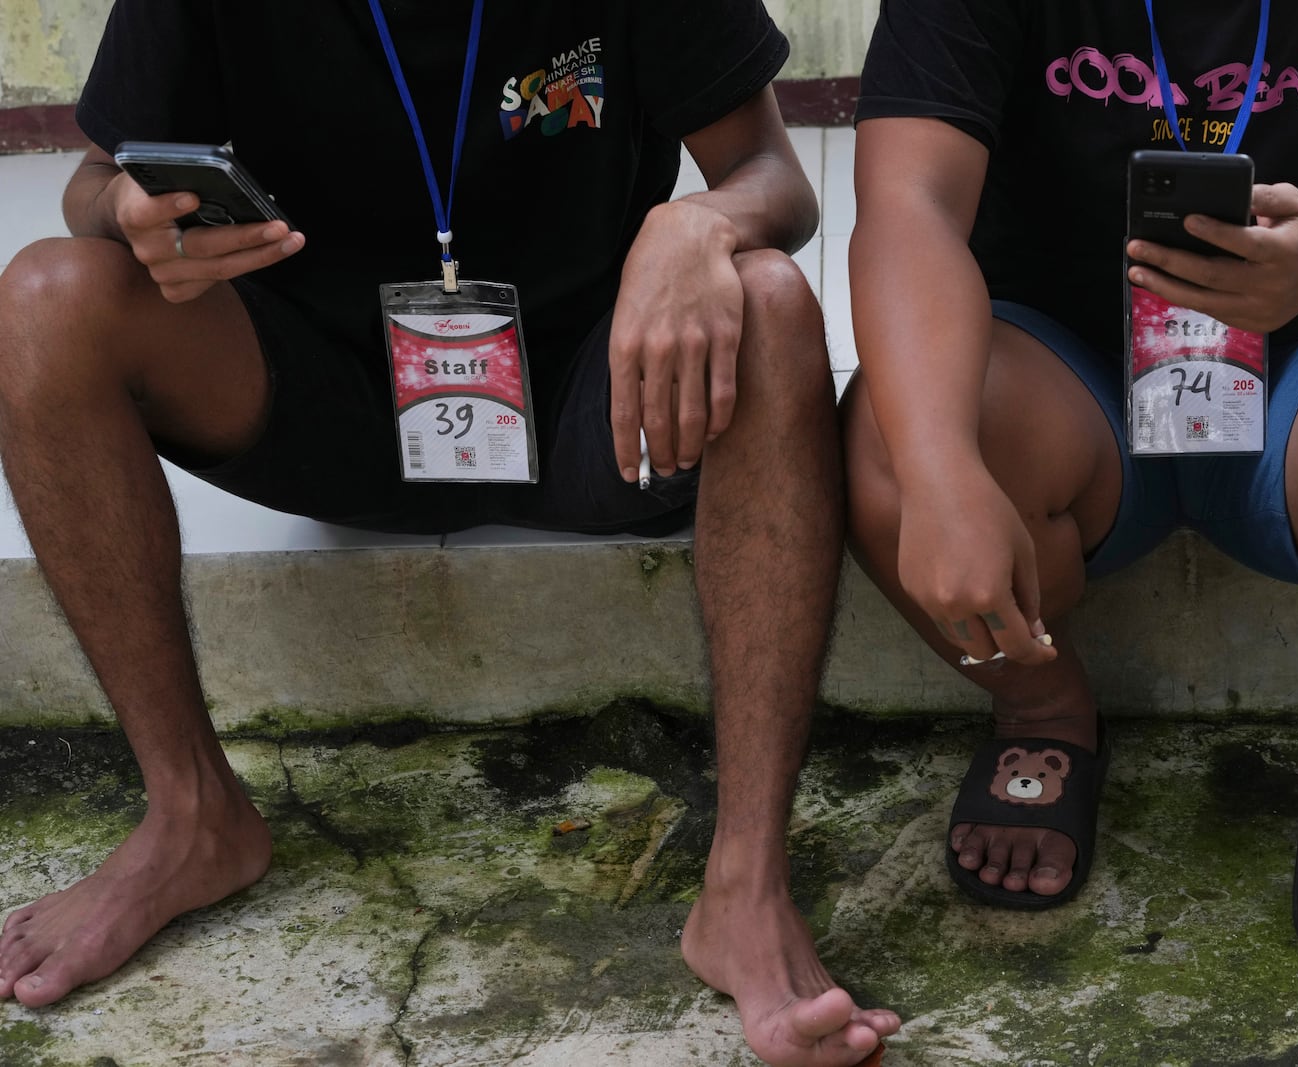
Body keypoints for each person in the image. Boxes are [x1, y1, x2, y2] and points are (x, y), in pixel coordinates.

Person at [0, 2, 899, 1062]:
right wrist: (124, 210)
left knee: (771, 302)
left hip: (598, 398)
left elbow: (771, 176)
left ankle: (747, 884)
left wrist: (698, 224)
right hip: (315, 393)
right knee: (44, 299)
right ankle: (191, 811)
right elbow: (88, 184)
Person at [844, 0, 1298, 966]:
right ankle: (1040, 705)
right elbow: (908, 207)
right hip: (1065, 386)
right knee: (893, 426)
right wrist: (940, 473)